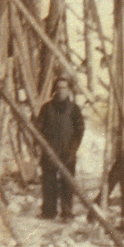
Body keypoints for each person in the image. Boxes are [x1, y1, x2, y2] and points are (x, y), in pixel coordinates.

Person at [36, 76, 85, 220]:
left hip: (67, 152)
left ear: (69, 90)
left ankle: (67, 212)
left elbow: (80, 129)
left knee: (67, 184)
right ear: (54, 90)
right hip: (50, 152)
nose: (61, 91)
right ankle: (49, 212)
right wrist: (43, 146)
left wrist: (73, 149)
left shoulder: (74, 109)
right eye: (58, 88)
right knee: (49, 182)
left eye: (64, 88)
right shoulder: (47, 108)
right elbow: (38, 127)